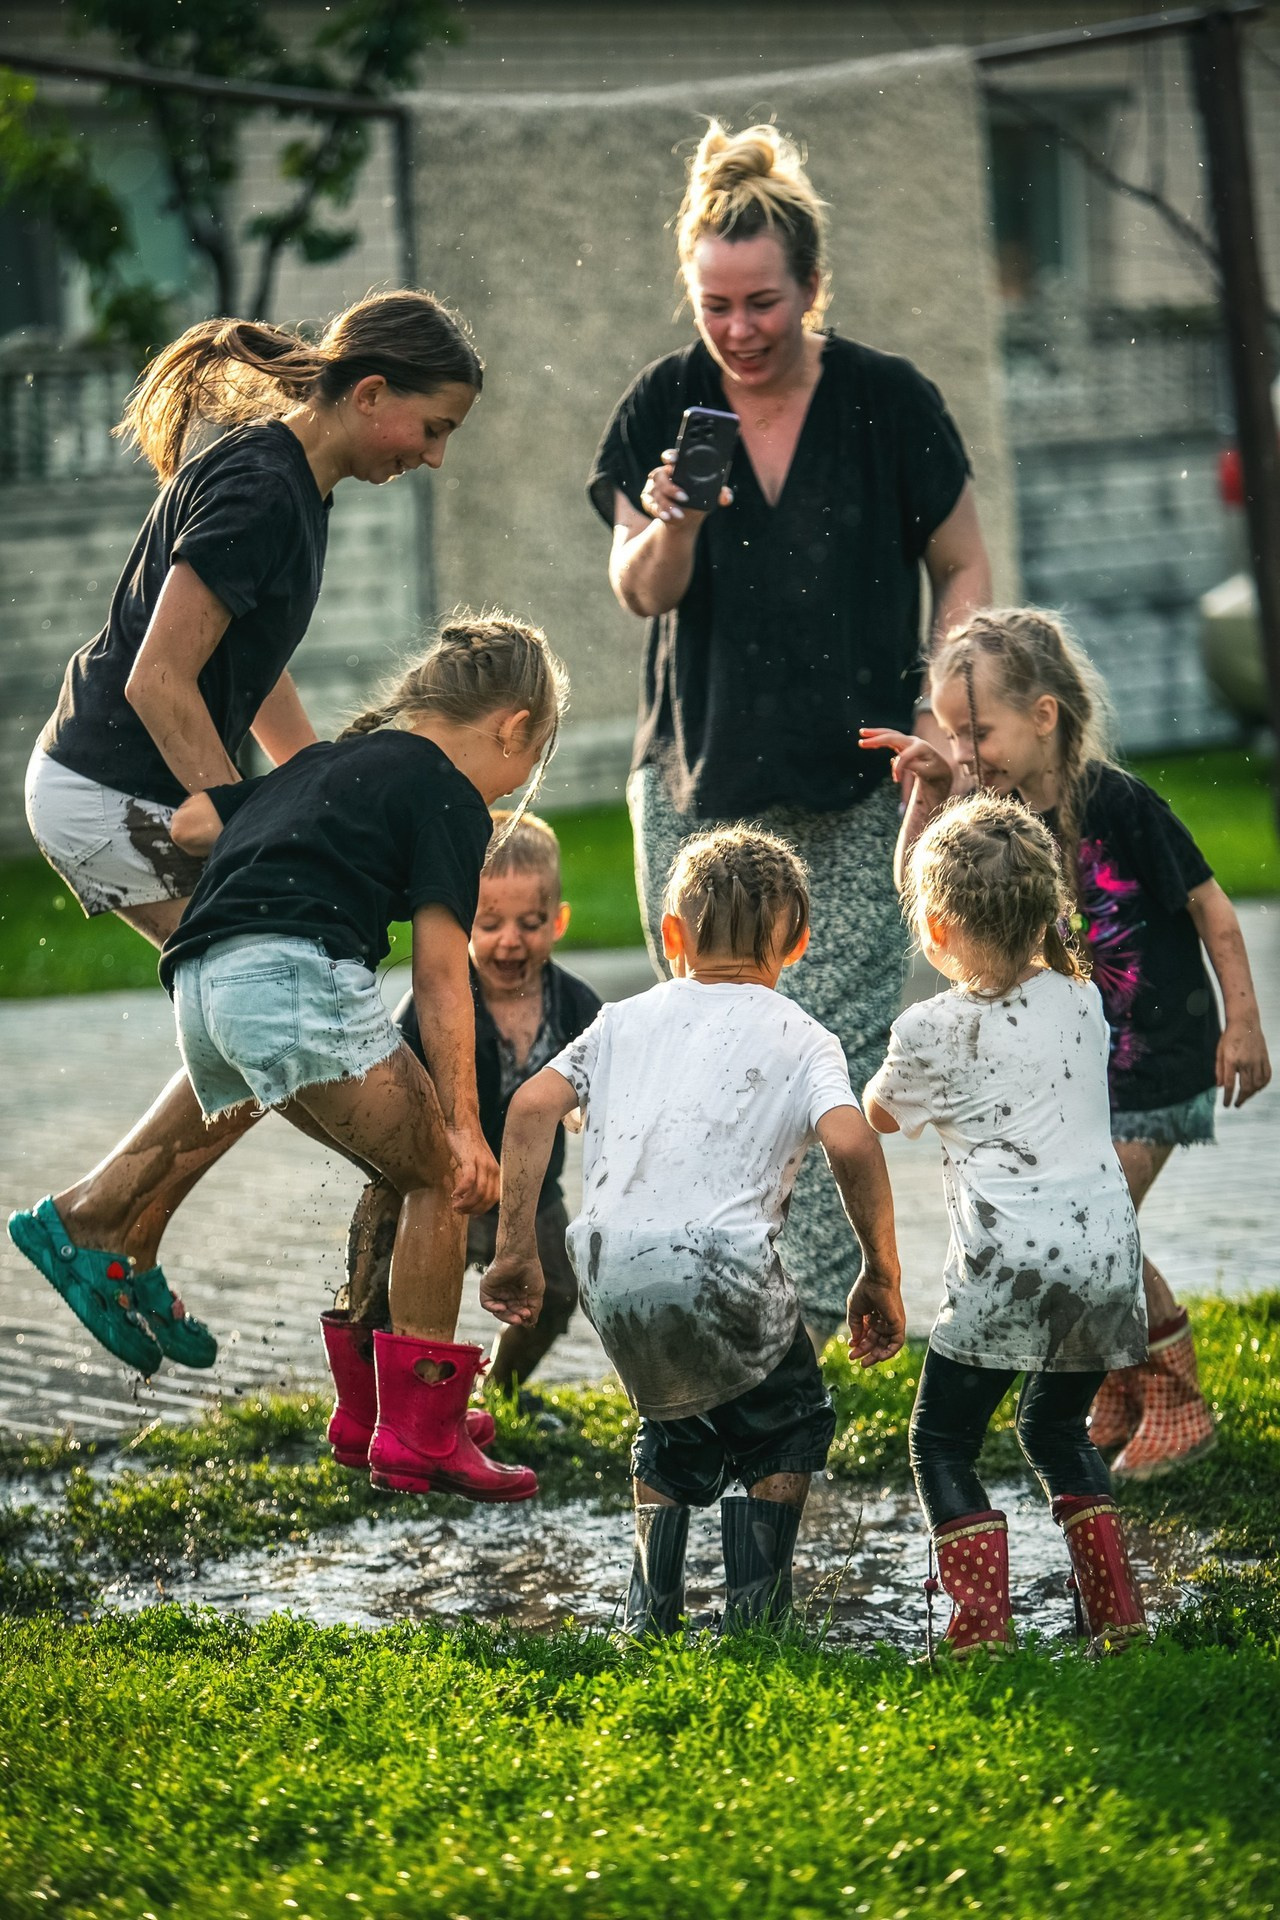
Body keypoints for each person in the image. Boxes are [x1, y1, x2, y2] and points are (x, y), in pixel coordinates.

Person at [19, 292, 484, 1369]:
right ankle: (95, 1221)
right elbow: (160, 679)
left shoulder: (294, 483)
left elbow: (249, 660)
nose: (433, 456)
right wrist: (251, 829)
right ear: (371, 393)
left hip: (120, 789)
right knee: (273, 1000)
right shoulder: (265, 487)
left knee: (266, 1018)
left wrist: (311, 778)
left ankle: (119, 1233)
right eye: (432, 427)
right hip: (110, 795)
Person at [589, 118, 992, 1350]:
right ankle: (717, 1315)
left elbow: (962, 562)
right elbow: (640, 593)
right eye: (714, 304)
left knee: (829, 1061)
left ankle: (801, 1336)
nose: (738, 329)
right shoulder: (662, 403)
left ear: (811, 286)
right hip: (697, 790)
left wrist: (937, 715)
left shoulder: (885, 402)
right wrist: (673, 517)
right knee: (713, 1064)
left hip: (860, 787)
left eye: (761, 302)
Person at [12, 618, 567, 1509]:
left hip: (200, 987)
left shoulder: (322, 763)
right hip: (291, 981)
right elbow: (441, 979)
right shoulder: (450, 796)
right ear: (514, 726)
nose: (516, 784)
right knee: (438, 1175)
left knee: (392, 1164)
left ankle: (370, 1411)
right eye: (530, 760)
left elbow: (196, 821)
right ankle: (423, 1433)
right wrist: (467, 1125)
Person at [862, 607, 1272, 1479]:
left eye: (977, 732)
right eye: (951, 733)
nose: (964, 750)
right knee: (1084, 1219)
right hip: (1075, 1071)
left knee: (1096, 1220)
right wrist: (930, 798)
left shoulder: (1119, 802)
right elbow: (923, 898)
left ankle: (1178, 1398)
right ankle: (1120, 1391)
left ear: (1043, 715)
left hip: (1156, 1057)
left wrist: (1243, 1020)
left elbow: (1211, 907)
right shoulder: (992, 813)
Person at [480, 826, 904, 1633]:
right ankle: (756, 1616)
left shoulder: (619, 1021)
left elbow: (531, 1106)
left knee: (671, 1421)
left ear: (672, 936)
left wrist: (514, 1252)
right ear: (798, 942)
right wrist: (879, 1271)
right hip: (721, 1268)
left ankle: (650, 1610)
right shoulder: (803, 1036)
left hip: (608, 1267)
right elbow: (852, 1143)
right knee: (787, 1419)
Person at [863, 793, 1149, 1658]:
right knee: (1053, 1430)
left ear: (936, 929)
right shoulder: (1082, 999)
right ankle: (1118, 1622)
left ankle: (982, 1630)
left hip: (1005, 1267)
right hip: (1105, 1259)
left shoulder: (930, 1028)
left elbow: (881, 1115)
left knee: (941, 1441)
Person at [328, 811, 601, 1470]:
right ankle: (378, 1410)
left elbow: (612, 1083)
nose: (510, 941)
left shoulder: (576, 1006)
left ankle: (499, 1387)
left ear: (558, 921)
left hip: (529, 1196)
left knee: (556, 1294)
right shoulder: (435, 1006)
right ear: (461, 925)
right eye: (489, 923)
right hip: (435, 1190)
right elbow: (388, 1091)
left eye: (530, 923)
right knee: (377, 1296)